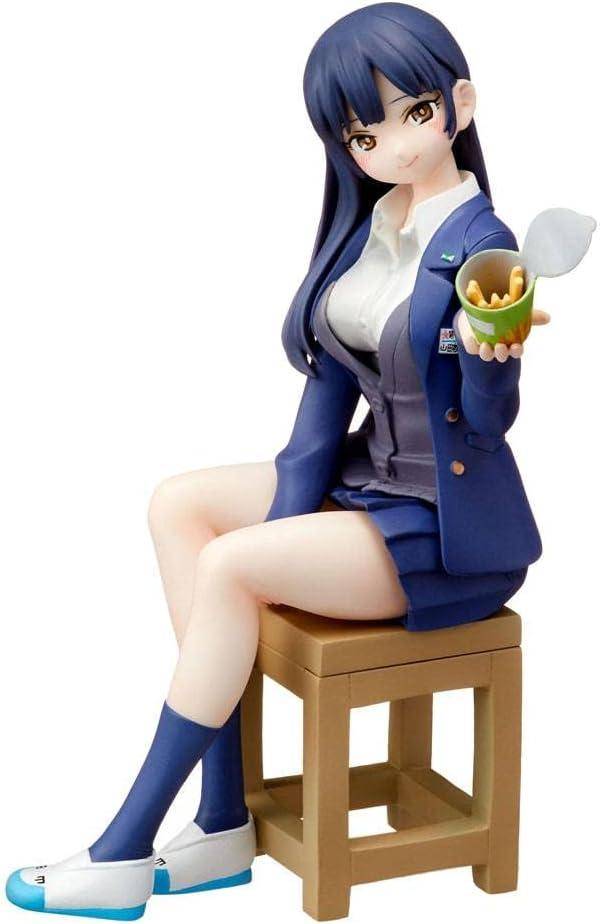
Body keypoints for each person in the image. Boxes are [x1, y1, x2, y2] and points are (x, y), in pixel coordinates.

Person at [6, 3, 546, 919]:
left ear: (459, 105)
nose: (390, 146)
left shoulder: (485, 249)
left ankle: (126, 845)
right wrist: (291, 523)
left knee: (229, 567)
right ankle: (223, 821)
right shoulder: (370, 228)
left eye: (413, 114)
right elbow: (324, 408)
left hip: (445, 527)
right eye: (362, 134)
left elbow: (489, 425)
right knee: (181, 505)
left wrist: (494, 357)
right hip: (366, 481)